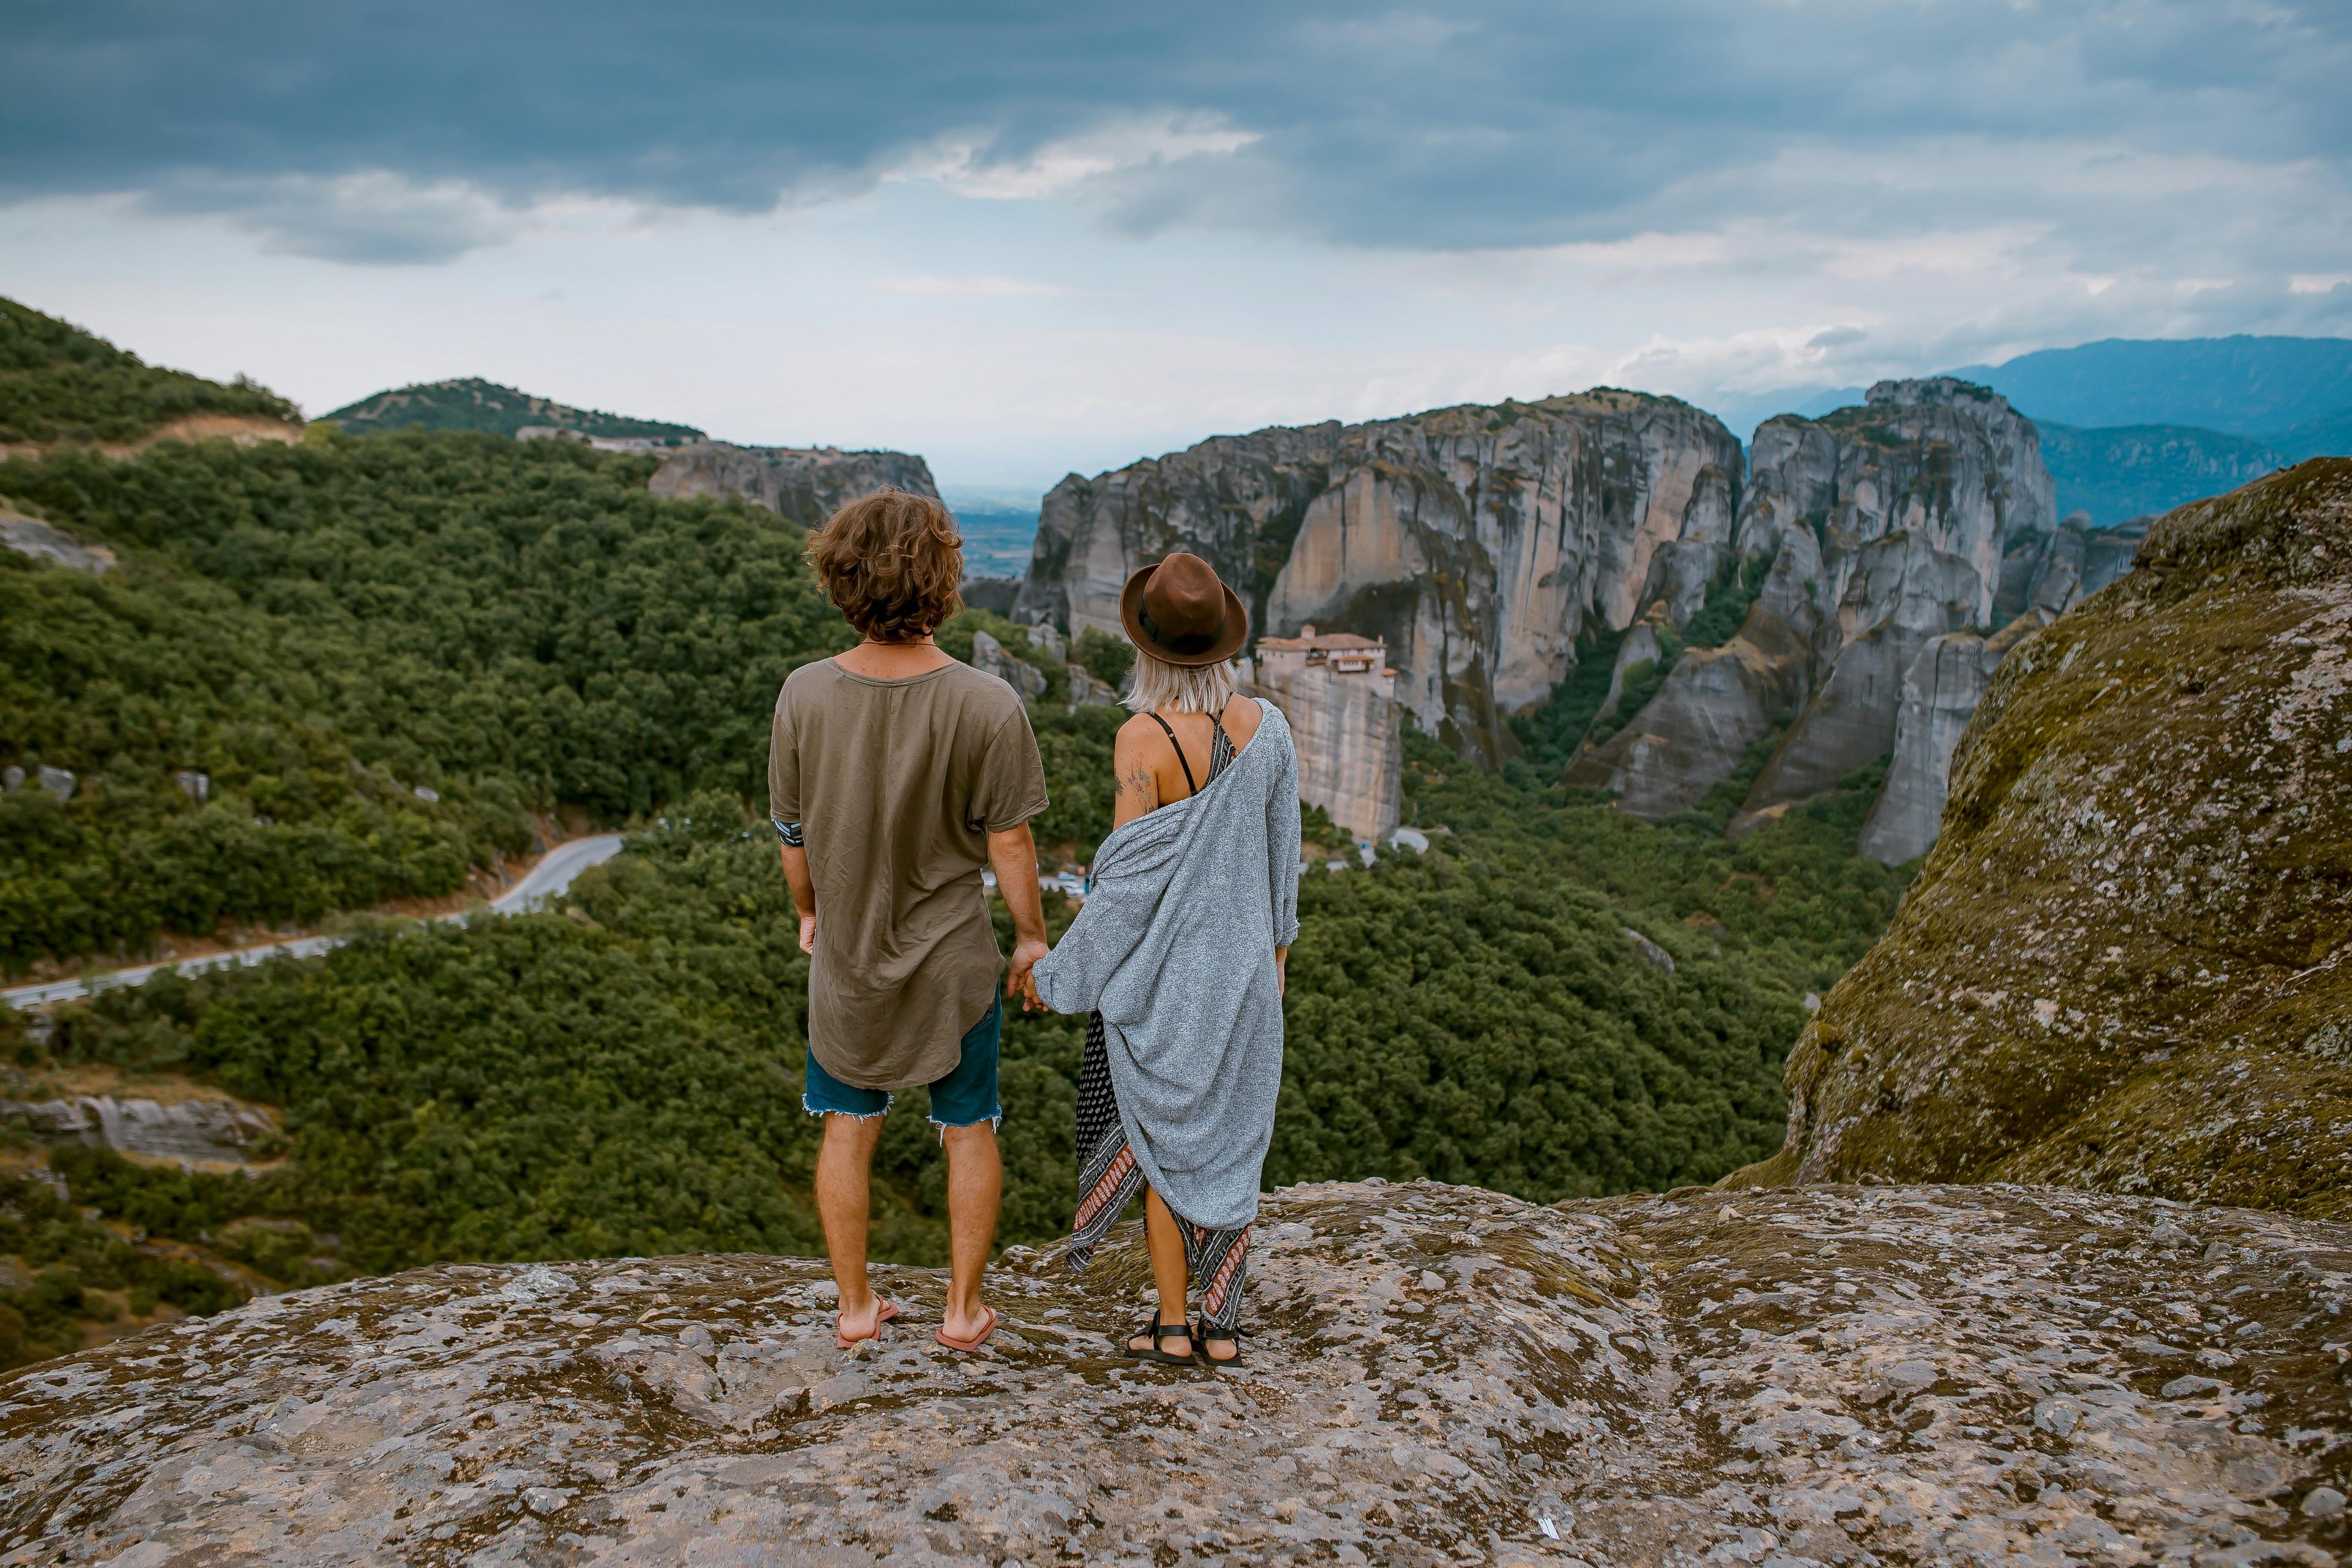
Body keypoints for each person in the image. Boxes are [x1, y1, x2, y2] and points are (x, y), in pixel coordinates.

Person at [769, 488, 1052, 1355]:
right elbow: (1009, 841)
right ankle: (962, 1314)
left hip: (848, 958)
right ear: (944, 579)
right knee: (968, 1129)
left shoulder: (804, 695)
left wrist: (810, 912)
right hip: (953, 964)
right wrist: (1033, 936)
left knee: (846, 1130)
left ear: (841, 577)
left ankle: (856, 1309)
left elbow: (793, 836)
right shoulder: (987, 702)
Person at [1030, 552, 1300, 1366]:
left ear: (1148, 646)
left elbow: (1122, 892)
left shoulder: (1140, 740)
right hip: (1248, 978)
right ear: (1224, 642)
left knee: (1158, 1149)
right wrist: (1276, 968)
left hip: (1163, 983)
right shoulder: (1271, 730)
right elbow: (1284, 867)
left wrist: (1057, 978)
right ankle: (1224, 1328)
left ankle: (1175, 1325)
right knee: (1230, 1144)